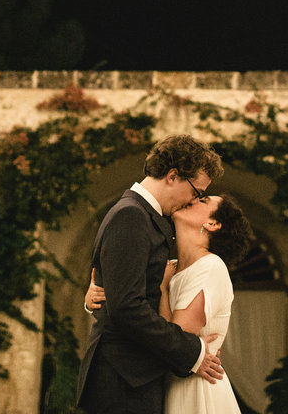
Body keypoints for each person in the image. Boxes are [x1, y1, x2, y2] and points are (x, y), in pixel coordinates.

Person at [76, 134, 227, 414]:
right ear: (172, 176)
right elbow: (127, 308)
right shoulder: (131, 216)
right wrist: (191, 351)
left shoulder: (149, 217)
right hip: (123, 380)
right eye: (195, 192)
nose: (193, 200)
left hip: (135, 376)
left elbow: (121, 293)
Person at [86, 192, 254, 414]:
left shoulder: (211, 267)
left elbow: (175, 338)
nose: (192, 199)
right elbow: (129, 306)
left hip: (195, 389)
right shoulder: (169, 267)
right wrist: (93, 298)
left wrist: (163, 291)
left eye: (203, 201)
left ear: (212, 223)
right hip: (166, 385)